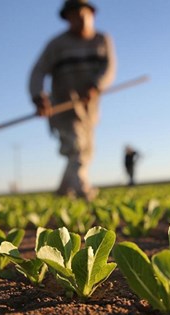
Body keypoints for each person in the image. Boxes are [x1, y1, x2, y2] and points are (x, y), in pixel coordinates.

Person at [29, 0, 116, 200]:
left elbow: (109, 68)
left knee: (86, 150)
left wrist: (96, 85)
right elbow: (38, 71)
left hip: (89, 109)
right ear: (67, 18)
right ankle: (83, 191)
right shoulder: (56, 45)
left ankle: (62, 192)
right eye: (73, 16)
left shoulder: (102, 40)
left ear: (91, 14)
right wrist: (38, 96)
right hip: (63, 107)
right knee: (76, 148)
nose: (79, 19)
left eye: (83, 14)